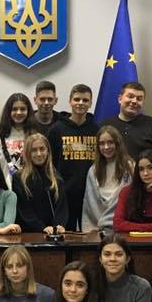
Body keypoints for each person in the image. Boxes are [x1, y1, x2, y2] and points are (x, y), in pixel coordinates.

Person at [48, 84, 98, 230]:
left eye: (85, 100)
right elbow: (49, 162)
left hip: (90, 194)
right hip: (64, 193)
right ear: (70, 101)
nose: (80, 103)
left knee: (90, 234)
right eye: (77, 99)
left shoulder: (96, 130)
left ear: (90, 103)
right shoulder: (56, 129)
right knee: (65, 233)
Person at [100, 82, 152, 171]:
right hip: (110, 178)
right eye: (130, 96)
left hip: (144, 178)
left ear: (143, 103)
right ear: (120, 99)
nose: (134, 101)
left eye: (139, 98)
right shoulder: (105, 126)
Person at [81, 125, 133, 232]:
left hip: (123, 229)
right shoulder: (93, 171)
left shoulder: (129, 167)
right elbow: (89, 205)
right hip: (96, 230)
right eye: (102, 143)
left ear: (117, 143)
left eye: (110, 142)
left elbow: (133, 201)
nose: (106, 147)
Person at [15, 133, 68, 235]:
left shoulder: (56, 177)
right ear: (28, 153)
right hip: (29, 233)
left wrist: (58, 225)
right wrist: (41, 227)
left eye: (42, 149)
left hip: (54, 233)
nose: (39, 154)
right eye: (34, 150)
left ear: (48, 151)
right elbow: (24, 210)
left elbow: (61, 207)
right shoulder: (19, 178)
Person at [0, 92, 37, 189]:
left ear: (28, 111)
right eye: (14, 109)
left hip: (31, 189)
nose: (19, 112)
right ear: (8, 112)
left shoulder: (35, 136)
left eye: (23, 109)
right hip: (5, 190)